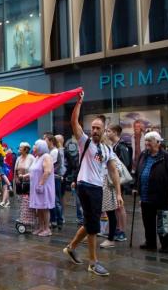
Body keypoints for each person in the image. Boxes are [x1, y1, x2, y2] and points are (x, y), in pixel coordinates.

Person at [63, 94, 123, 277]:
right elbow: (74, 122)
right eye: (93, 127)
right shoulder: (85, 142)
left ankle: (71, 248)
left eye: (98, 128)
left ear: (104, 130)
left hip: (97, 187)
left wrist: (119, 194)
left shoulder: (107, 149)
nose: (95, 130)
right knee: (94, 224)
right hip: (85, 185)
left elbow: (113, 171)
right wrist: (79, 103)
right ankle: (93, 262)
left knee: (91, 223)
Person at [134, 131, 168, 254]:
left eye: (150, 141)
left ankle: (166, 246)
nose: (147, 143)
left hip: (162, 195)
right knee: (148, 221)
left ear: (158, 142)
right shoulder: (143, 155)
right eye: (146, 140)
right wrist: (136, 186)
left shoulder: (166, 156)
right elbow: (138, 172)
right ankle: (150, 243)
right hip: (146, 195)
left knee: (164, 220)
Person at [106, 124, 130, 241]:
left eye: (108, 131)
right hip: (113, 181)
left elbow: (125, 163)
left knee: (120, 206)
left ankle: (122, 231)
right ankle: (117, 229)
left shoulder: (121, 146)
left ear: (115, 132)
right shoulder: (113, 146)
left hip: (118, 180)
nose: (106, 133)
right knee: (115, 206)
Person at [29, 140, 55, 236]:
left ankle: (47, 229)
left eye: (35, 145)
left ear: (41, 146)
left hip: (43, 187)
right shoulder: (37, 157)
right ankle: (41, 227)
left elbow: (47, 171)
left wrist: (40, 184)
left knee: (44, 208)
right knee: (38, 208)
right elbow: (33, 171)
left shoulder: (46, 157)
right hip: (36, 187)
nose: (33, 147)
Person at [45, 134, 65, 229]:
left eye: (46, 140)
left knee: (56, 199)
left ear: (51, 141)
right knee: (53, 199)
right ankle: (54, 220)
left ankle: (58, 220)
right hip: (52, 177)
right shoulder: (51, 151)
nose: (45, 142)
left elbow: (50, 165)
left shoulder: (54, 151)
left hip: (54, 178)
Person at [14, 142, 35, 226]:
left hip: (28, 182)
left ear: (26, 149)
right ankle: (22, 217)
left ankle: (28, 218)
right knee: (20, 200)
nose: (19, 149)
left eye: (21, 147)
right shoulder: (18, 158)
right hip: (19, 182)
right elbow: (15, 170)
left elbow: (33, 171)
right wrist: (16, 180)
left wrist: (25, 176)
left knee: (27, 200)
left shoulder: (31, 158)